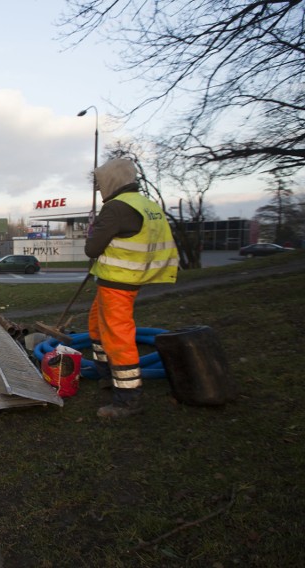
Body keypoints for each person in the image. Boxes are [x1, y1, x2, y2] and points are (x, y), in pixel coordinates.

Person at [85, 158, 179, 419]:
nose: (99, 189)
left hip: (118, 282)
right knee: (96, 325)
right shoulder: (147, 205)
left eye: (100, 183)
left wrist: (94, 230)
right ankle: (106, 376)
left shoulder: (116, 208)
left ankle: (128, 400)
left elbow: (92, 249)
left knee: (118, 337)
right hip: (129, 279)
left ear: (110, 182)